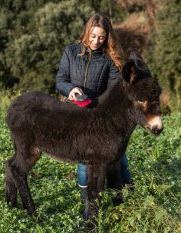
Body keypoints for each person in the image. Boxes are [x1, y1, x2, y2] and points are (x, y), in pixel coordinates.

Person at [55, 13, 132, 214]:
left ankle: (124, 201)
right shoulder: (71, 52)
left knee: (119, 160)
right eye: (93, 35)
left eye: (101, 37)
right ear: (87, 32)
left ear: (107, 37)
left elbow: (115, 92)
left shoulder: (109, 60)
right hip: (76, 117)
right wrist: (70, 89)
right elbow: (60, 80)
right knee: (84, 163)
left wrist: (96, 103)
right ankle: (88, 205)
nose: (96, 41)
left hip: (101, 117)